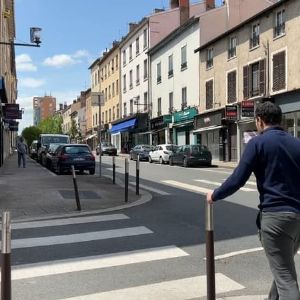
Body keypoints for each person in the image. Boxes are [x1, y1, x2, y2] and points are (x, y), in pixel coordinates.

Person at [207, 101, 300, 300]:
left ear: (259, 120)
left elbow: (237, 179)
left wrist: (215, 195)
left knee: (285, 278)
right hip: (298, 218)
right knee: (283, 268)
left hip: (275, 219)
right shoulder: (296, 143)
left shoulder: (257, 143)